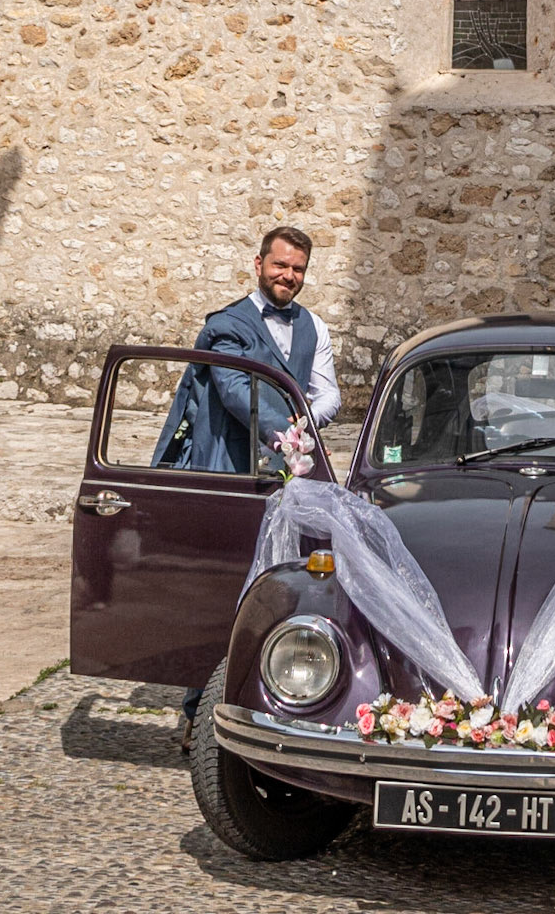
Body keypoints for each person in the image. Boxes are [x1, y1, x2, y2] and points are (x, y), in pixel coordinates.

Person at [153, 225, 340, 745]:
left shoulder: (314, 328)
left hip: (288, 476)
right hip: (227, 474)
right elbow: (238, 393)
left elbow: (329, 396)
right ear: (258, 265)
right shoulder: (227, 326)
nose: (289, 277)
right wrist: (289, 431)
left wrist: (302, 426)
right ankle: (197, 712)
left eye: (298, 269)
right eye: (281, 266)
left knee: (283, 584)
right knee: (217, 592)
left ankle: (281, 700)